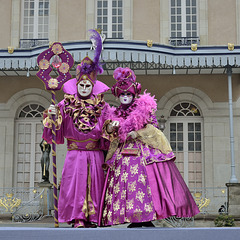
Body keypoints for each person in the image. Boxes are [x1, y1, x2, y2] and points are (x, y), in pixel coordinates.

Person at [99, 67, 200, 227]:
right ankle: (132, 217)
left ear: (134, 95)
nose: (125, 97)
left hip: (143, 153)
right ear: (118, 96)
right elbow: (107, 134)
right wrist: (111, 128)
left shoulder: (144, 110)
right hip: (121, 155)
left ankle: (147, 216)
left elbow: (153, 129)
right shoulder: (114, 113)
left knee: (144, 182)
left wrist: (137, 133)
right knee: (124, 184)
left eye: (128, 94)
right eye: (122, 94)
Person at [42, 29, 110, 228]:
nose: (84, 89)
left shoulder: (103, 106)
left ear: (93, 87)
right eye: (82, 86)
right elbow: (54, 128)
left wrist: (111, 128)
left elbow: (108, 130)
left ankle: (94, 217)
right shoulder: (65, 103)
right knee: (76, 185)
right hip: (75, 154)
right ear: (77, 85)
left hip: (95, 153)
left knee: (94, 185)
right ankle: (77, 217)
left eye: (88, 86)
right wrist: (52, 115)